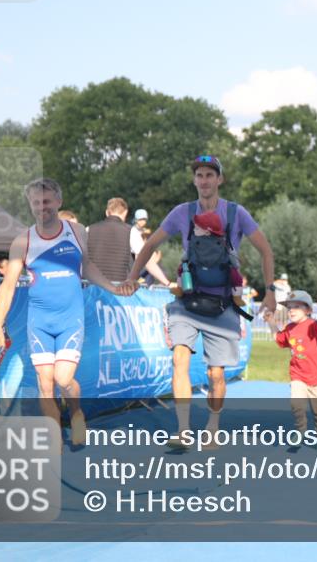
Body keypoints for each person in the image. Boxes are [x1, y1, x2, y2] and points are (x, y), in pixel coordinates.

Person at [124, 155, 277, 447]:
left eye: (210, 175)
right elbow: (150, 245)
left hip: (223, 304)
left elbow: (266, 251)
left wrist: (270, 291)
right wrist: (133, 276)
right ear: (194, 180)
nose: (204, 180)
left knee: (215, 374)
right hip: (188, 301)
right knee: (179, 358)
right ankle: (183, 430)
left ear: (219, 179)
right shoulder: (182, 212)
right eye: (200, 175)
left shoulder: (237, 213)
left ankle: (213, 426)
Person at [0, 178, 128, 446]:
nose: (43, 207)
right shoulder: (23, 241)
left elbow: (86, 267)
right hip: (39, 320)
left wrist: (112, 287)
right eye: (36, 202)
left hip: (70, 319)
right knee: (45, 382)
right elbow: (7, 286)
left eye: (47, 201)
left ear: (59, 202)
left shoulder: (76, 231)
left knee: (64, 380)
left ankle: (76, 413)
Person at [264, 290, 317, 449]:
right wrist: (271, 323)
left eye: (297, 306)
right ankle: (300, 429)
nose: (292, 310)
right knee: (296, 403)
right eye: (289, 307)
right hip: (298, 376)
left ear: (308, 310)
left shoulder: (314, 325)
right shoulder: (289, 328)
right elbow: (279, 340)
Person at [86, 197, 135, 282]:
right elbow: (144, 257)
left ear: (107, 212)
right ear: (125, 212)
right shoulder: (132, 231)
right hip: (119, 288)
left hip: (92, 287)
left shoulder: (89, 229)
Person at [130, 208, 170, 286]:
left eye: (144, 220)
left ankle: (162, 283)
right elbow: (138, 252)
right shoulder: (133, 232)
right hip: (136, 263)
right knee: (152, 266)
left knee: (157, 266)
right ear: (136, 220)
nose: (143, 222)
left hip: (144, 262)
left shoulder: (144, 232)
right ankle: (165, 284)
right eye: (140, 220)